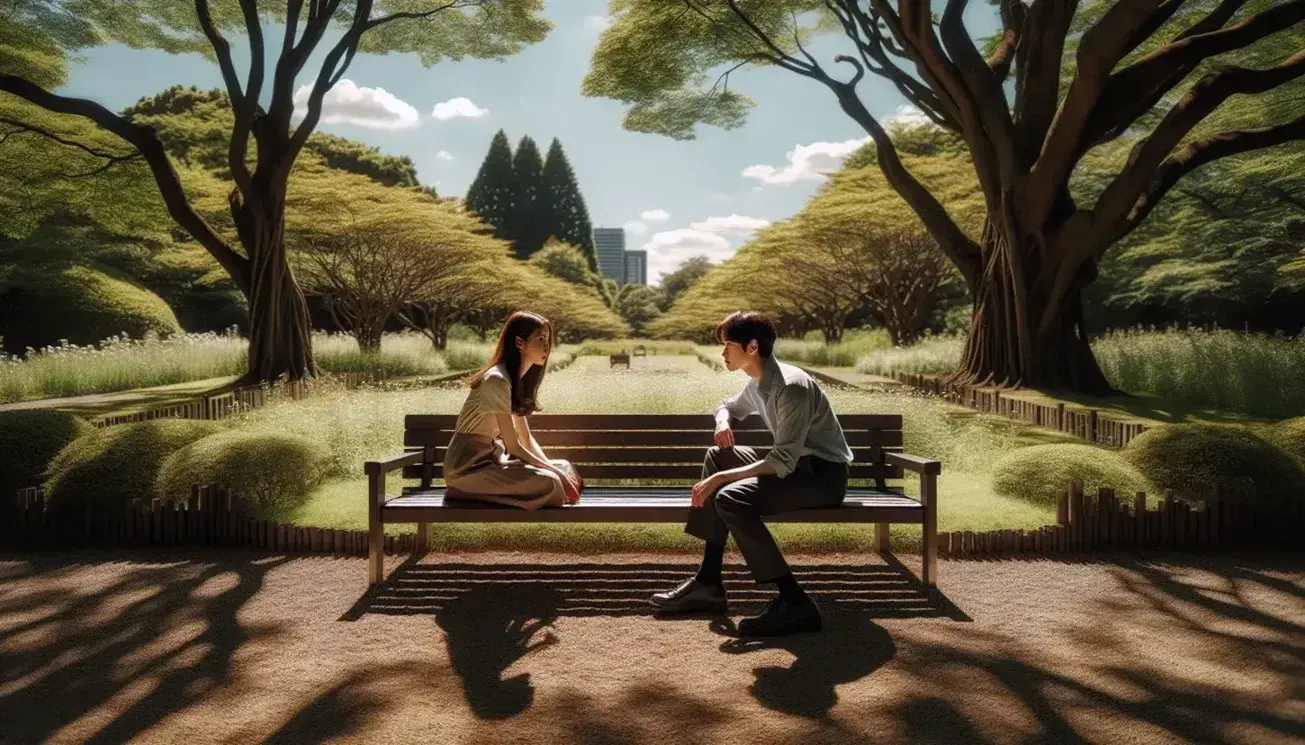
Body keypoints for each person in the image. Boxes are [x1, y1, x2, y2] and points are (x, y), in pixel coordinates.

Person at [650, 311, 853, 636]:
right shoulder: (759, 383)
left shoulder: (791, 389)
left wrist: (719, 480)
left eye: (728, 345)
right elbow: (727, 405)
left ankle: (795, 601)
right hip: (795, 471)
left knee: (730, 497)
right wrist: (723, 421)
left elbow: (782, 461)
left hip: (820, 479)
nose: (722, 353)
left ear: (752, 347)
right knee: (719, 456)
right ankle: (709, 582)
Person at [442, 310, 582, 509]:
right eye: (540, 339)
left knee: (565, 467)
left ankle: (475, 492)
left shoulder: (513, 379)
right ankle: (465, 491)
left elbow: (525, 438)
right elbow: (514, 446)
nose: (546, 346)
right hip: (466, 469)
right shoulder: (497, 380)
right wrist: (553, 474)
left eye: (548, 340)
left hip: (493, 462)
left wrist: (553, 468)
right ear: (519, 343)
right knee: (550, 482)